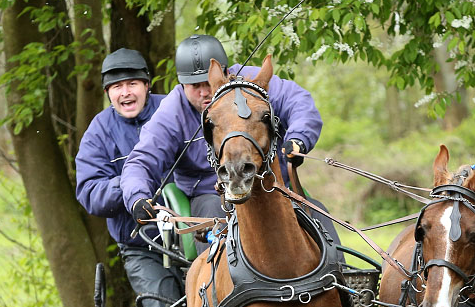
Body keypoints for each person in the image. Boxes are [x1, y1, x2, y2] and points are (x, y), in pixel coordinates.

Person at [120, 34, 340, 252]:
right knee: (214, 222)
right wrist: (137, 197)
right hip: (210, 195)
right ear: (181, 84)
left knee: (319, 216)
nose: (205, 92)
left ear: (225, 73)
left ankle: (343, 279)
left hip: (274, 184)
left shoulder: (254, 81)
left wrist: (298, 139)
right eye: (194, 86)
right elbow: (142, 160)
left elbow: (299, 103)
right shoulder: (171, 112)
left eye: (207, 82)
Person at [75, 48, 183, 307]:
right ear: (107, 93)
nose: (126, 92)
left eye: (133, 84)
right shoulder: (98, 132)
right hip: (142, 245)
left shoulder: (174, 109)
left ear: (147, 85)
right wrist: (133, 186)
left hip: (194, 235)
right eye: (117, 86)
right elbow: (89, 192)